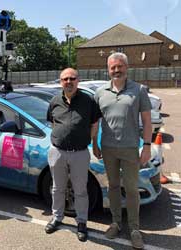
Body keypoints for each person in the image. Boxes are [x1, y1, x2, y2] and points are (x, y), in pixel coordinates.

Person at [94, 52, 152, 249]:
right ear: (108, 70)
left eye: (120, 66)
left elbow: (146, 120)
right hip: (108, 148)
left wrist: (146, 146)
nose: (116, 70)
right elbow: (95, 121)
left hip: (129, 149)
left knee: (132, 189)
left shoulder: (139, 90)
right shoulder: (100, 92)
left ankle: (135, 229)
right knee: (113, 187)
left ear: (126, 68)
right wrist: (94, 143)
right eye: (113, 67)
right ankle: (116, 223)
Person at [45, 68, 100, 242]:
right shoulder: (54, 101)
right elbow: (52, 122)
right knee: (57, 188)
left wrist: (92, 143)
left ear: (78, 80)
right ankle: (57, 217)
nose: (69, 81)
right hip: (58, 152)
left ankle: (81, 222)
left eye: (72, 78)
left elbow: (94, 124)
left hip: (80, 153)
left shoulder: (88, 100)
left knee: (80, 190)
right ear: (60, 82)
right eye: (65, 79)